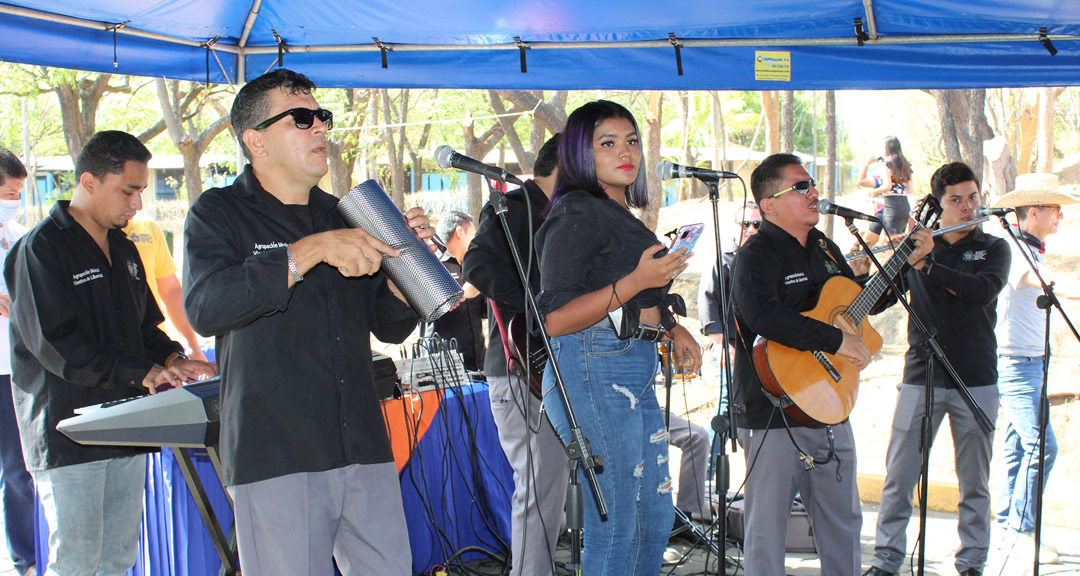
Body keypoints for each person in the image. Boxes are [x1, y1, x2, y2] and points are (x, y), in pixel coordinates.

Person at [183, 68, 435, 575]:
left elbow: (386, 327)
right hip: (277, 450)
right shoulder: (218, 212)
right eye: (302, 118)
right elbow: (207, 306)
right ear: (256, 141)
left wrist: (405, 268)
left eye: (323, 116)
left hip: (361, 441)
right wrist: (307, 253)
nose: (320, 127)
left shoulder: (346, 214)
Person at [4, 131, 217, 576]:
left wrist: (175, 358)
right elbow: (56, 345)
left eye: (141, 191)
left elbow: (145, 327)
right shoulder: (39, 249)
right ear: (88, 182)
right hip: (68, 430)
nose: (137, 203)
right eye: (128, 190)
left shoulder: (124, 248)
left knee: (119, 558)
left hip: (127, 425)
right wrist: (143, 371)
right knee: (77, 561)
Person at [730, 153, 930, 576]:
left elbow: (856, 303)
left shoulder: (824, 246)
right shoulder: (756, 255)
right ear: (769, 204)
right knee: (767, 533)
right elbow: (762, 316)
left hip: (830, 405)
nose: (814, 192)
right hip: (774, 409)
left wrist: (904, 265)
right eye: (801, 187)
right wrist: (835, 339)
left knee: (843, 525)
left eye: (813, 184)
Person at [534, 100, 702, 575]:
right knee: (618, 520)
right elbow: (554, 319)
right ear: (580, 155)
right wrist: (636, 280)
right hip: (592, 366)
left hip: (633, 362)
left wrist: (672, 327)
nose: (625, 151)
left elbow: (631, 289)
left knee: (654, 517)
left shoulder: (617, 212)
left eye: (631, 140)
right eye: (607, 143)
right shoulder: (576, 212)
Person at [865, 162, 1010, 576]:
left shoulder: (994, 248)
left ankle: (971, 564)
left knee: (974, 484)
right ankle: (886, 561)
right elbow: (876, 302)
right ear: (939, 205)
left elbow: (980, 292)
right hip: (920, 377)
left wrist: (927, 264)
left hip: (976, 380)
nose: (967, 207)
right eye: (956, 200)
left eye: (973, 198)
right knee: (899, 479)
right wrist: (887, 261)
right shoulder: (917, 246)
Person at [462, 133, 569, 576]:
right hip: (518, 366)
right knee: (539, 486)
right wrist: (537, 307)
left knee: (552, 487)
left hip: (557, 365)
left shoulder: (565, 215)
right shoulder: (511, 207)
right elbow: (477, 267)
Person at [991, 173, 1077, 564]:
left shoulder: (1030, 247)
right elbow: (1036, 281)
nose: (1061, 215)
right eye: (1055, 208)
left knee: (1017, 447)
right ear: (1035, 211)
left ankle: (1010, 526)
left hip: (1030, 361)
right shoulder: (1012, 248)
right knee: (1041, 446)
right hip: (1015, 363)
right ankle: (1023, 531)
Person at [0, 147, 34, 576]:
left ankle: (26, 559)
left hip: (16, 367)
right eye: (9, 192)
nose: (15, 201)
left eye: (18, 193)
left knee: (18, 470)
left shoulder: (21, 235)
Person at [123, 216, 208, 361]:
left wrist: (192, 345)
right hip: (111, 355)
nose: (136, 204)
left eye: (140, 193)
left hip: (154, 346)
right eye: (126, 193)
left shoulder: (148, 229)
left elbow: (171, 291)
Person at [433, 210, 486, 371]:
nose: (476, 239)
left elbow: (484, 311)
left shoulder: (475, 264)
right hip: (445, 364)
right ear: (460, 231)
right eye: (473, 233)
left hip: (478, 360)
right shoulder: (436, 266)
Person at [858, 136, 913, 247]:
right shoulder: (906, 165)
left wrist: (875, 192)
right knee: (893, 242)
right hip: (903, 205)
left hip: (891, 205)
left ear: (887, 148)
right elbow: (910, 189)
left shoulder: (886, 164)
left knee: (892, 247)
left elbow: (887, 186)